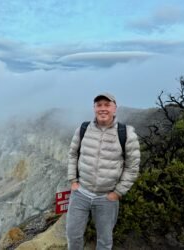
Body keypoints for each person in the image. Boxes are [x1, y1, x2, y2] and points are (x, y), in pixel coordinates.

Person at [66, 92, 140, 250]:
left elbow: (132, 168)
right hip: (80, 193)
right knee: (73, 235)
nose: (103, 109)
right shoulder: (83, 129)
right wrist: (73, 181)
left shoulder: (126, 134)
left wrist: (117, 193)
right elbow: (72, 154)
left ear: (115, 108)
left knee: (105, 241)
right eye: (99, 105)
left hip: (107, 198)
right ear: (94, 108)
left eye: (107, 105)